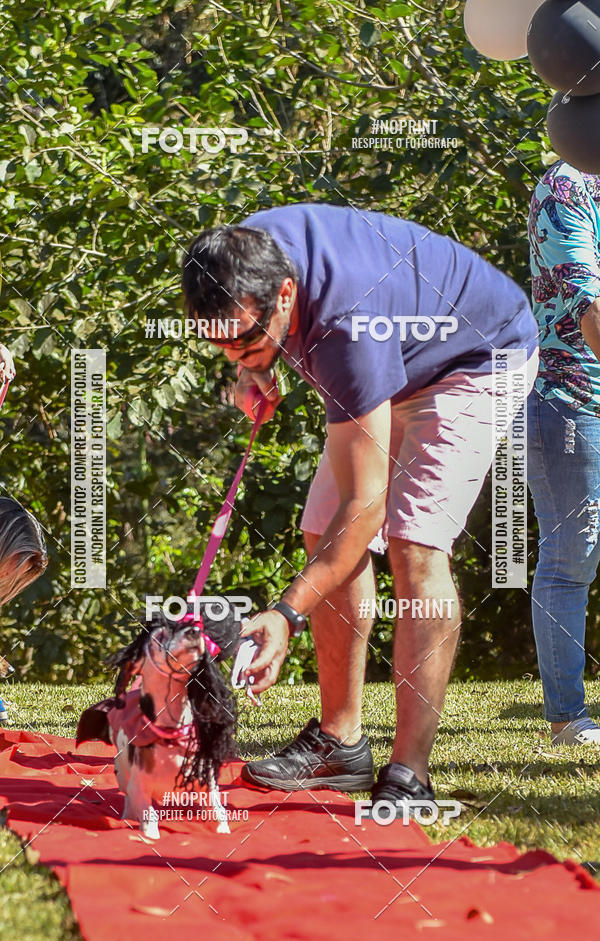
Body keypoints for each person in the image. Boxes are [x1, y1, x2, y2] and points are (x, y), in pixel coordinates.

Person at [182, 204, 538, 812]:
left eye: (244, 338)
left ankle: (410, 772)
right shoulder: (237, 256)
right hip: (395, 350)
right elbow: (255, 328)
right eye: (217, 339)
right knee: (322, 528)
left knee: (414, 544)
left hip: (476, 356)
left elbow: (367, 506)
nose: (231, 350)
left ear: (285, 295)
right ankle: (341, 743)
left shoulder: (349, 323)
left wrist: (286, 615)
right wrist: (252, 363)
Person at [528, 160, 600, 745]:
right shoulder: (566, 186)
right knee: (571, 556)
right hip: (571, 398)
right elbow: (590, 308)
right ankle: (567, 716)